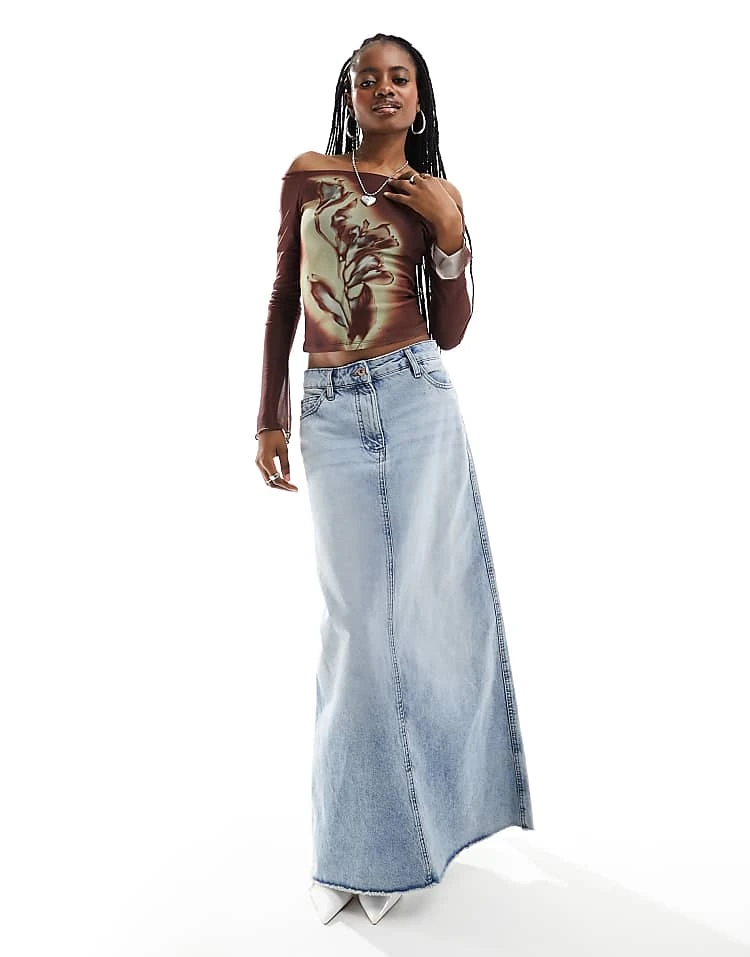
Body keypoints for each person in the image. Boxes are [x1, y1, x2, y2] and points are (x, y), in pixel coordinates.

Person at [254, 33, 535, 926]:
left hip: (417, 400)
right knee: (357, 628)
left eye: (399, 78)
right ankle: (358, 843)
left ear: (419, 97)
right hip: (331, 407)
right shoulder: (307, 175)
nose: (383, 88)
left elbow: (450, 331)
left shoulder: (437, 193)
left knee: (428, 618)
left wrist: (451, 237)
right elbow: (283, 296)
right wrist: (270, 415)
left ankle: (417, 835)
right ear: (350, 95)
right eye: (367, 78)